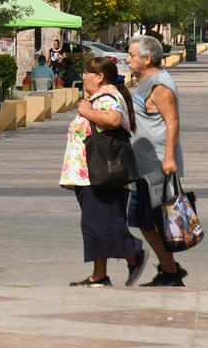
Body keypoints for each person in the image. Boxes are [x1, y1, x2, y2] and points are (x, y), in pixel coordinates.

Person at [60, 56, 146, 288]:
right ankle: (99, 275)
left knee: (101, 223)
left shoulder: (106, 96)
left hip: (100, 173)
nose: (83, 77)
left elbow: (114, 120)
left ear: (100, 77)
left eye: (87, 73)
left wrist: (87, 111)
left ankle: (133, 254)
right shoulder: (101, 96)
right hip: (90, 173)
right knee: (96, 223)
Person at [126, 34, 187, 287]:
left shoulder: (160, 85)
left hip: (157, 166)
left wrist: (169, 157)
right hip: (143, 166)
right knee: (144, 220)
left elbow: (172, 120)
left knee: (152, 220)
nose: (128, 60)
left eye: (131, 56)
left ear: (147, 58)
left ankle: (170, 271)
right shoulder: (145, 81)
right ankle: (169, 268)